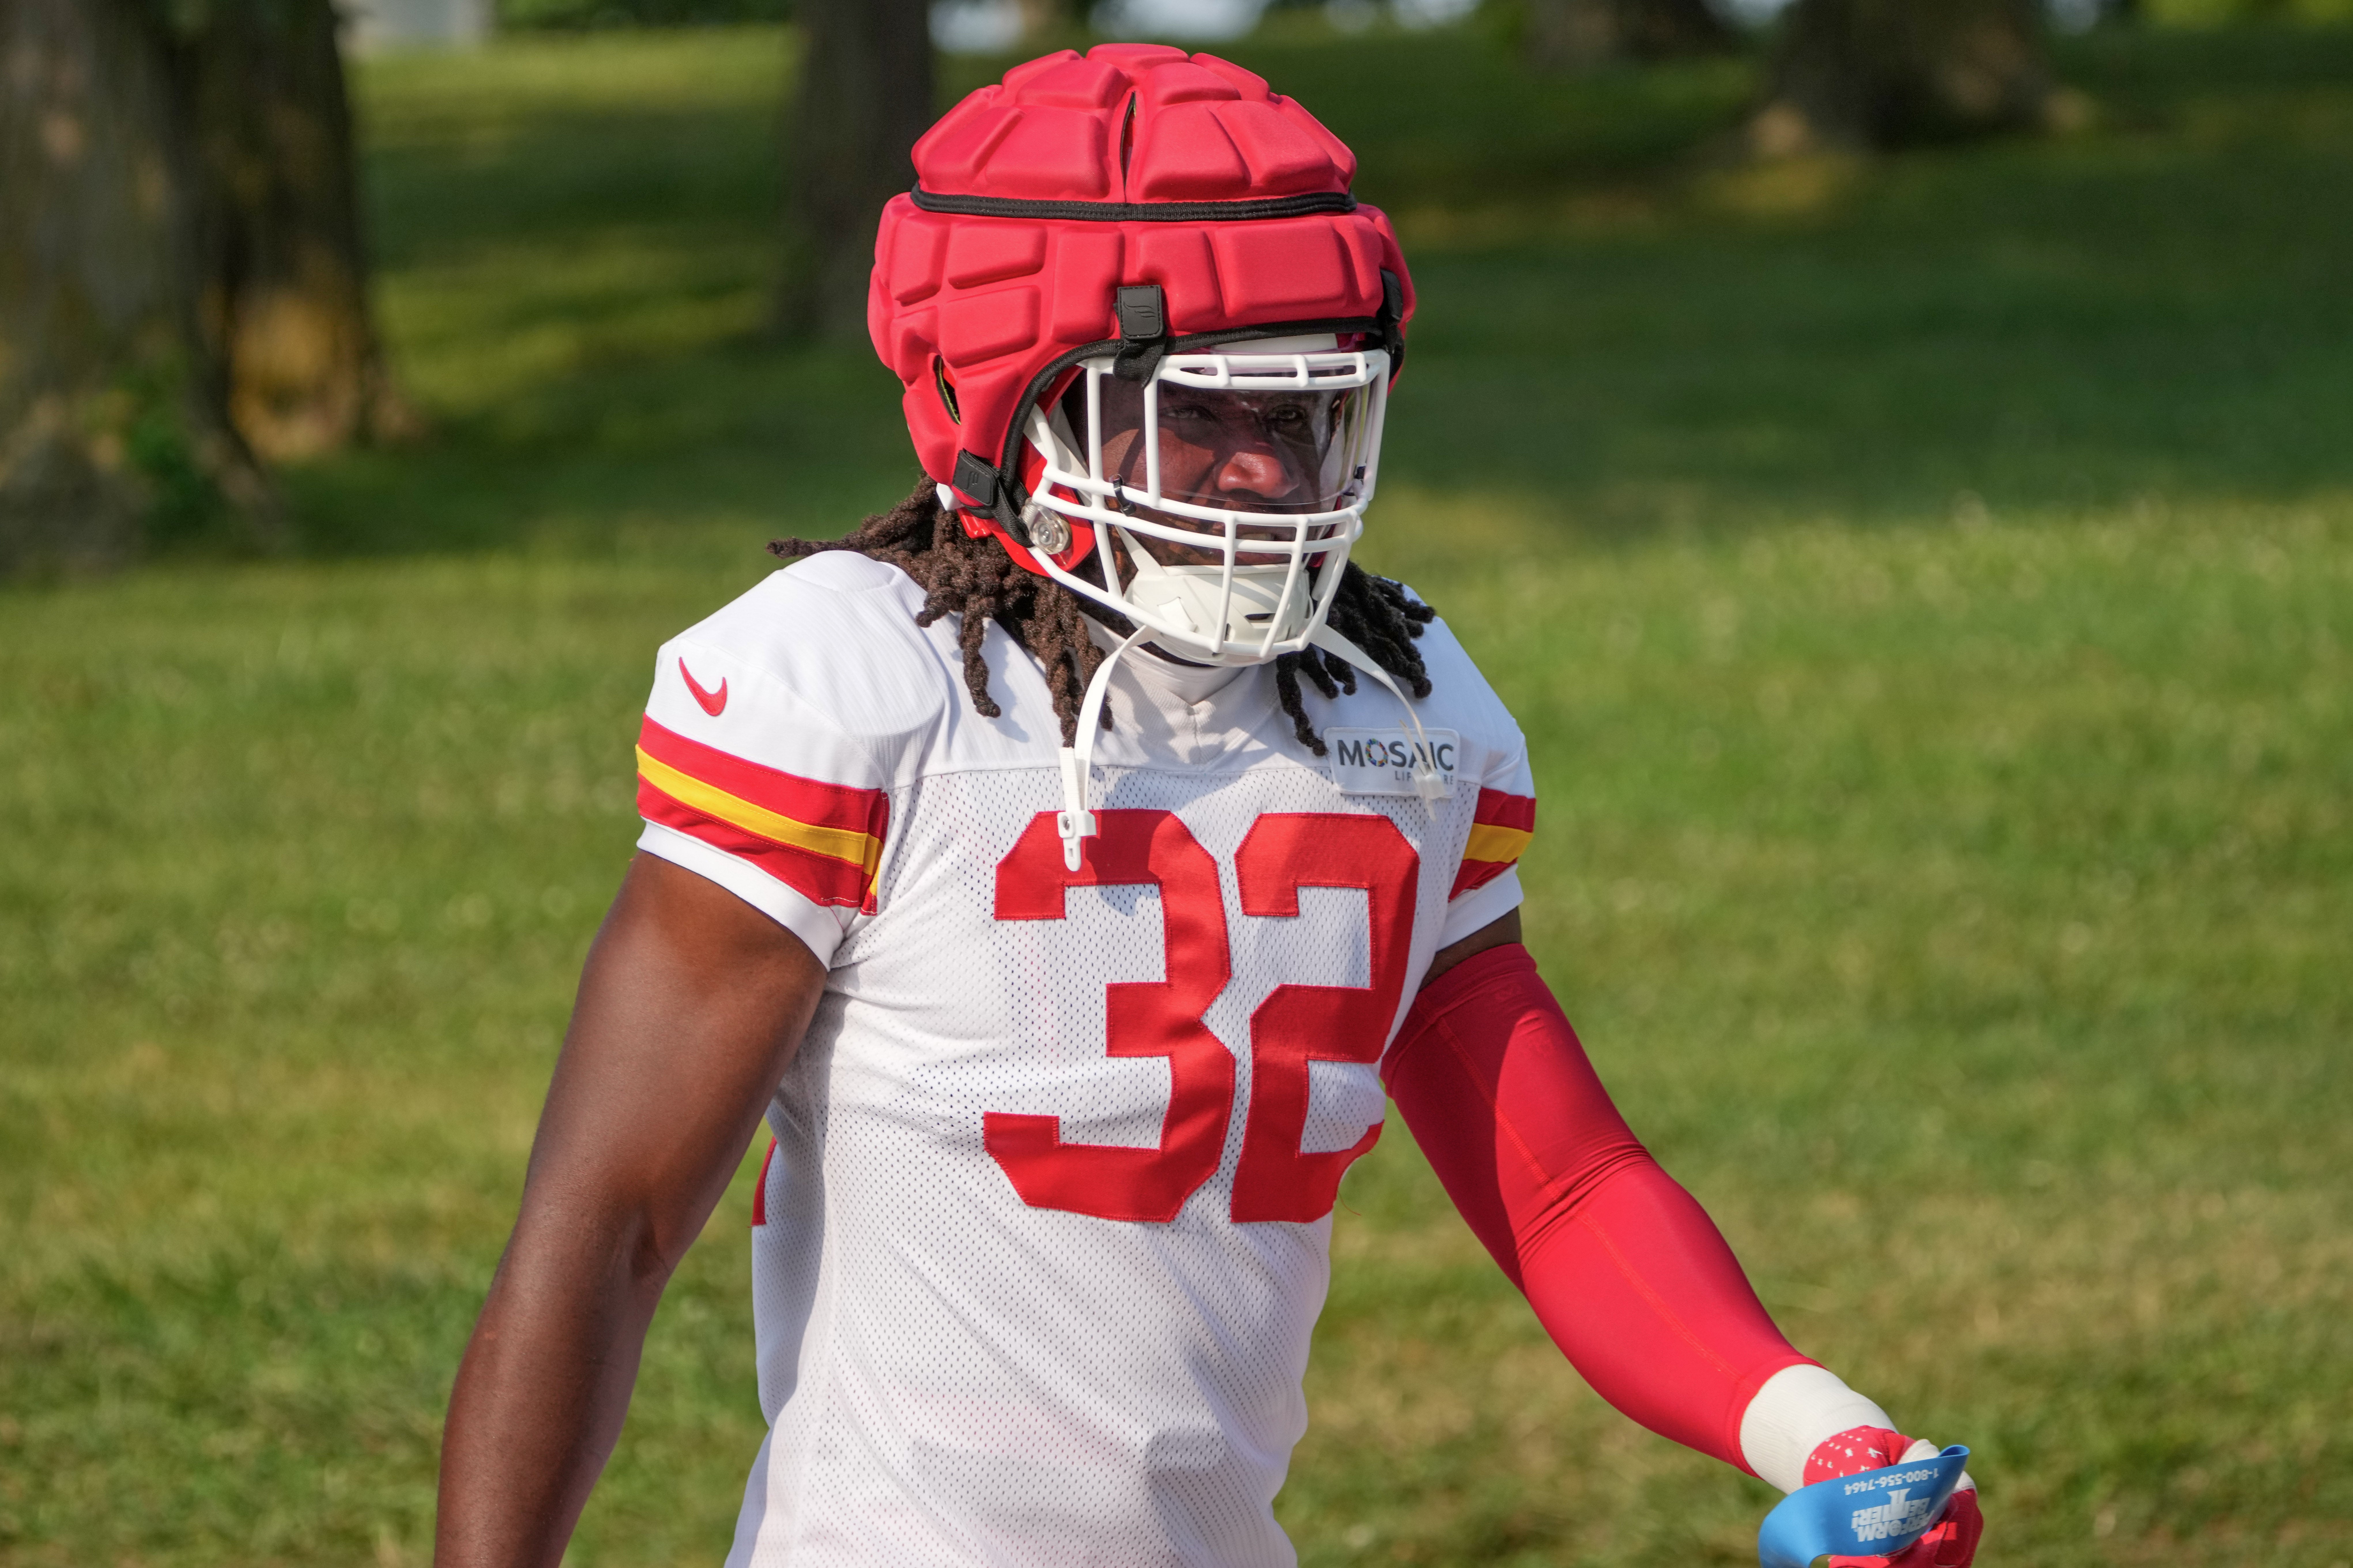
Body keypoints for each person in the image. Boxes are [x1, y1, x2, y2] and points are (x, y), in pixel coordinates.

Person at [432, 43, 1984, 1568]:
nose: (1258, 477)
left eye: (1298, 416)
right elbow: (610, 1226)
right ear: (1013, 399)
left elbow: (1561, 1178)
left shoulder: (1397, 706)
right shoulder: (855, 685)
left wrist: (1821, 1428)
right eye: (1199, 415)